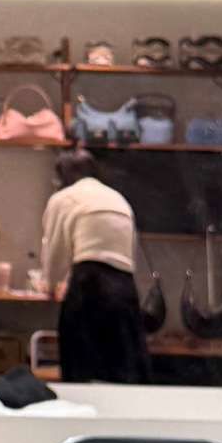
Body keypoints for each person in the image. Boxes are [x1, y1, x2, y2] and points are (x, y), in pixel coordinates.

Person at [42, 148, 151, 383]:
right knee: (124, 368)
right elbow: (130, 253)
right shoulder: (118, 199)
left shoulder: (63, 198)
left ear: (62, 177)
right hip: (125, 286)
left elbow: (55, 249)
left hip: (88, 283)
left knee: (80, 367)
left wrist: (50, 285)